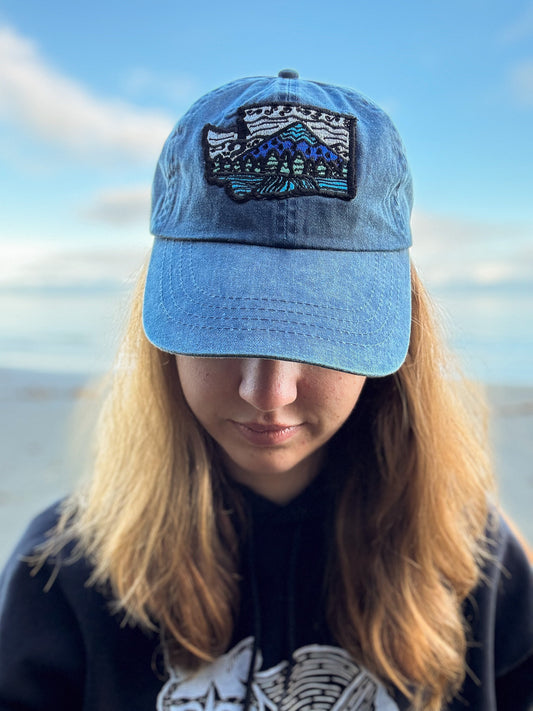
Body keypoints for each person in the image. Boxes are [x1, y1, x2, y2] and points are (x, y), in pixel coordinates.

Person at [0, 70, 531, 711]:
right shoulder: (59, 576)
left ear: (402, 330)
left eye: (320, 329)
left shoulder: (475, 563)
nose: (268, 391)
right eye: (223, 323)